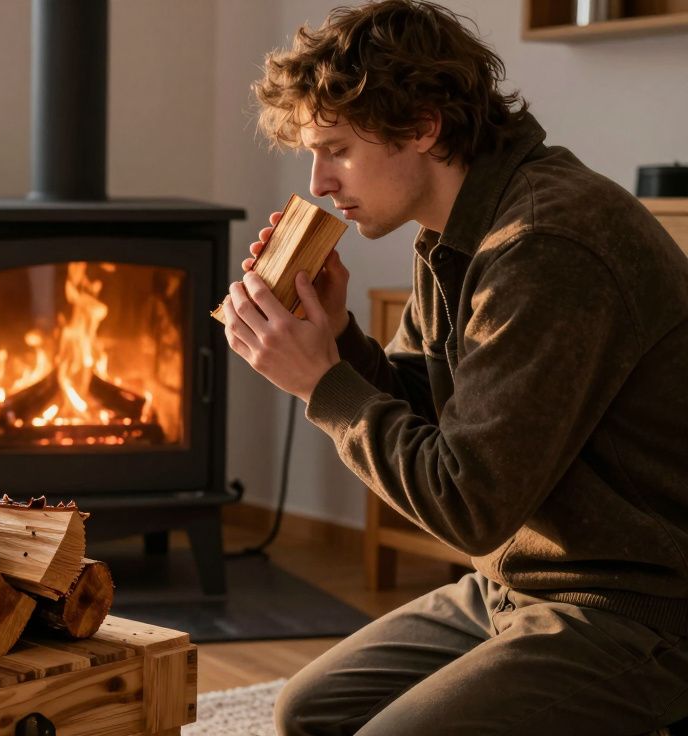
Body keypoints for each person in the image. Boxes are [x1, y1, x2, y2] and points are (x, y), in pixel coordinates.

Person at [221, 1, 688, 734]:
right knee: (308, 713)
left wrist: (321, 383)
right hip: (516, 585)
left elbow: (468, 504)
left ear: (422, 126)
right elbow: (434, 414)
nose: (319, 182)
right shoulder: (454, 233)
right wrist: (338, 337)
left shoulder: (543, 244)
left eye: (336, 150)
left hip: (636, 607)